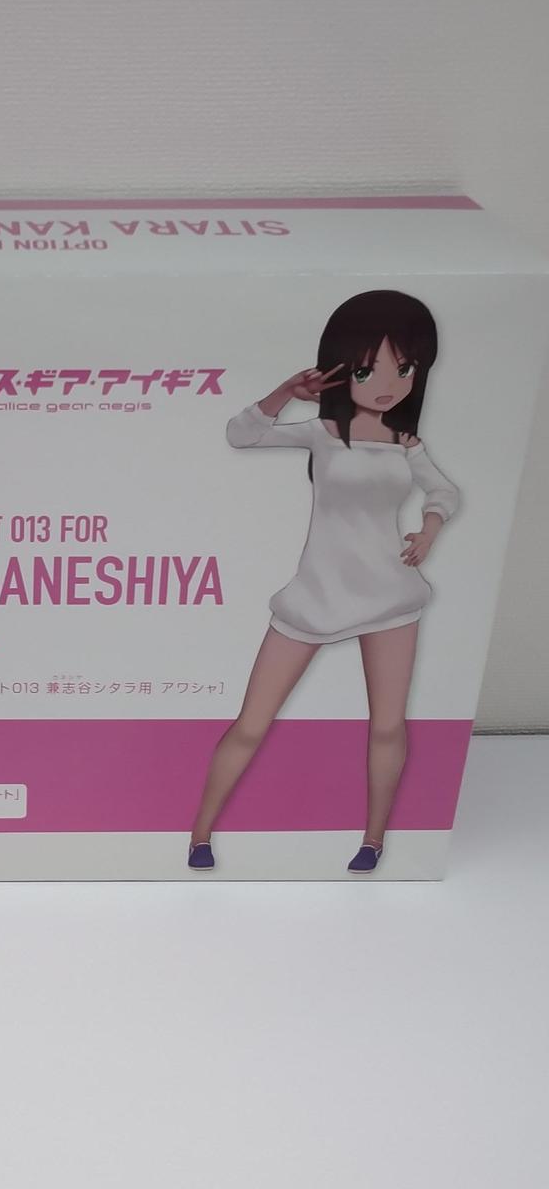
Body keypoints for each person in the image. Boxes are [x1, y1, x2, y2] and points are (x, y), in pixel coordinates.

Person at [188, 291, 460, 874]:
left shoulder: (406, 445)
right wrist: (286, 391)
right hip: (316, 594)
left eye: (405, 369)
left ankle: (374, 839)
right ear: (340, 369)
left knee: (387, 725)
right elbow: (242, 434)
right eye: (367, 370)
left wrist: (429, 529)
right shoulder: (321, 432)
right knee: (252, 723)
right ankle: (200, 833)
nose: (387, 384)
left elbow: (444, 491)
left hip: (389, 592)